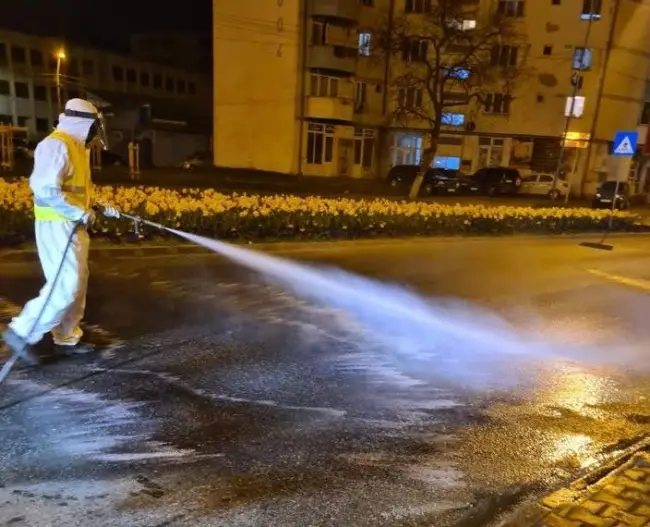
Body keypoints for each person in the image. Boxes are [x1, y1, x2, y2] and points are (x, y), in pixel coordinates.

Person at [2, 98, 119, 365]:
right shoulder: (57, 144)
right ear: (82, 122)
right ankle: (22, 331)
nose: (95, 133)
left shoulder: (78, 148)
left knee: (78, 283)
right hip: (57, 224)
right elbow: (44, 190)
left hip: (72, 224)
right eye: (93, 126)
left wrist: (97, 204)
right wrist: (77, 212)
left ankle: (67, 337)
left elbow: (74, 189)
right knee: (65, 285)